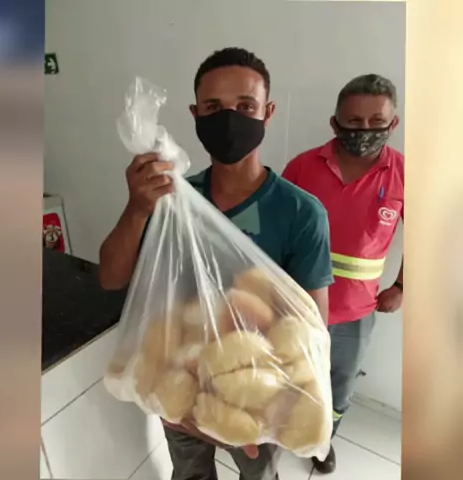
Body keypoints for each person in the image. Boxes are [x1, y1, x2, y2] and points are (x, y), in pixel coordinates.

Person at [99, 47, 334, 480]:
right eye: (213, 107)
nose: (229, 119)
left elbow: (311, 330)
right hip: (179, 383)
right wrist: (137, 209)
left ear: (268, 112)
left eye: (245, 106)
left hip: (257, 392)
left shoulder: (301, 213)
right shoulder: (171, 200)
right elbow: (112, 278)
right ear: (195, 114)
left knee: (257, 472)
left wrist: (277, 406)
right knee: (190, 471)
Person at [282, 74, 404, 475]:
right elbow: (277, 227)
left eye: (376, 122)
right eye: (354, 122)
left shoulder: (404, 174)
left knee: (340, 383)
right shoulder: (302, 166)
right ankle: (280, 430)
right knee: (288, 372)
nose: (365, 130)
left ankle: (322, 441)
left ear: (393, 123)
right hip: (296, 303)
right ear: (335, 123)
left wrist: (402, 286)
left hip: (357, 312)